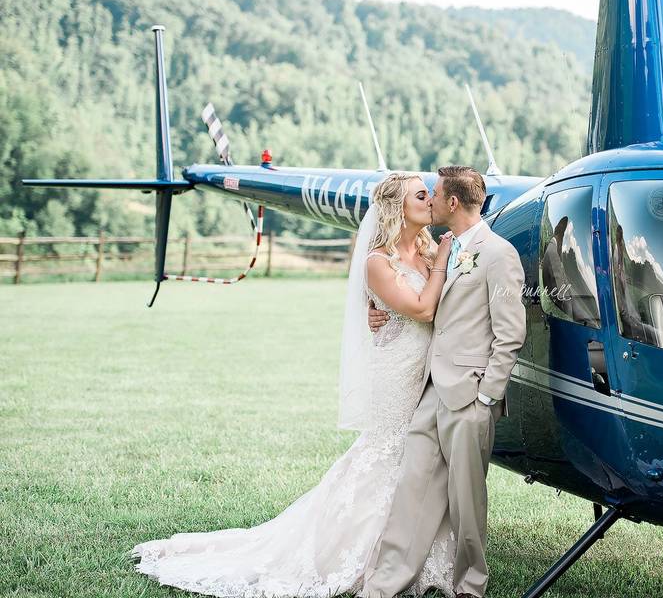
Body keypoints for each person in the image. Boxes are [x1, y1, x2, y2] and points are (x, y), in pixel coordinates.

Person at [131, 172, 458, 597]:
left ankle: (418, 550)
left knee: (419, 459)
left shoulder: (427, 249)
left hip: (426, 373)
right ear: (397, 206)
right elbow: (421, 307)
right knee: (387, 454)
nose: (430, 199)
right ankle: (362, 554)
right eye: (421, 194)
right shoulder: (379, 260)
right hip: (395, 376)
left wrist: (421, 272)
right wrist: (440, 260)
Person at [361, 166, 526, 598]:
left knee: (467, 501)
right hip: (430, 390)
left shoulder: (498, 254)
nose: (430, 200)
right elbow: (402, 285)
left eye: (434, 194)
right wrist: (374, 307)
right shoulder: (440, 248)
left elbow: (511, 334)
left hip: (470, 396)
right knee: (411, 488)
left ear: (452, 203)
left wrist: (486, 396)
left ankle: (471, 586)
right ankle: (384, 584)